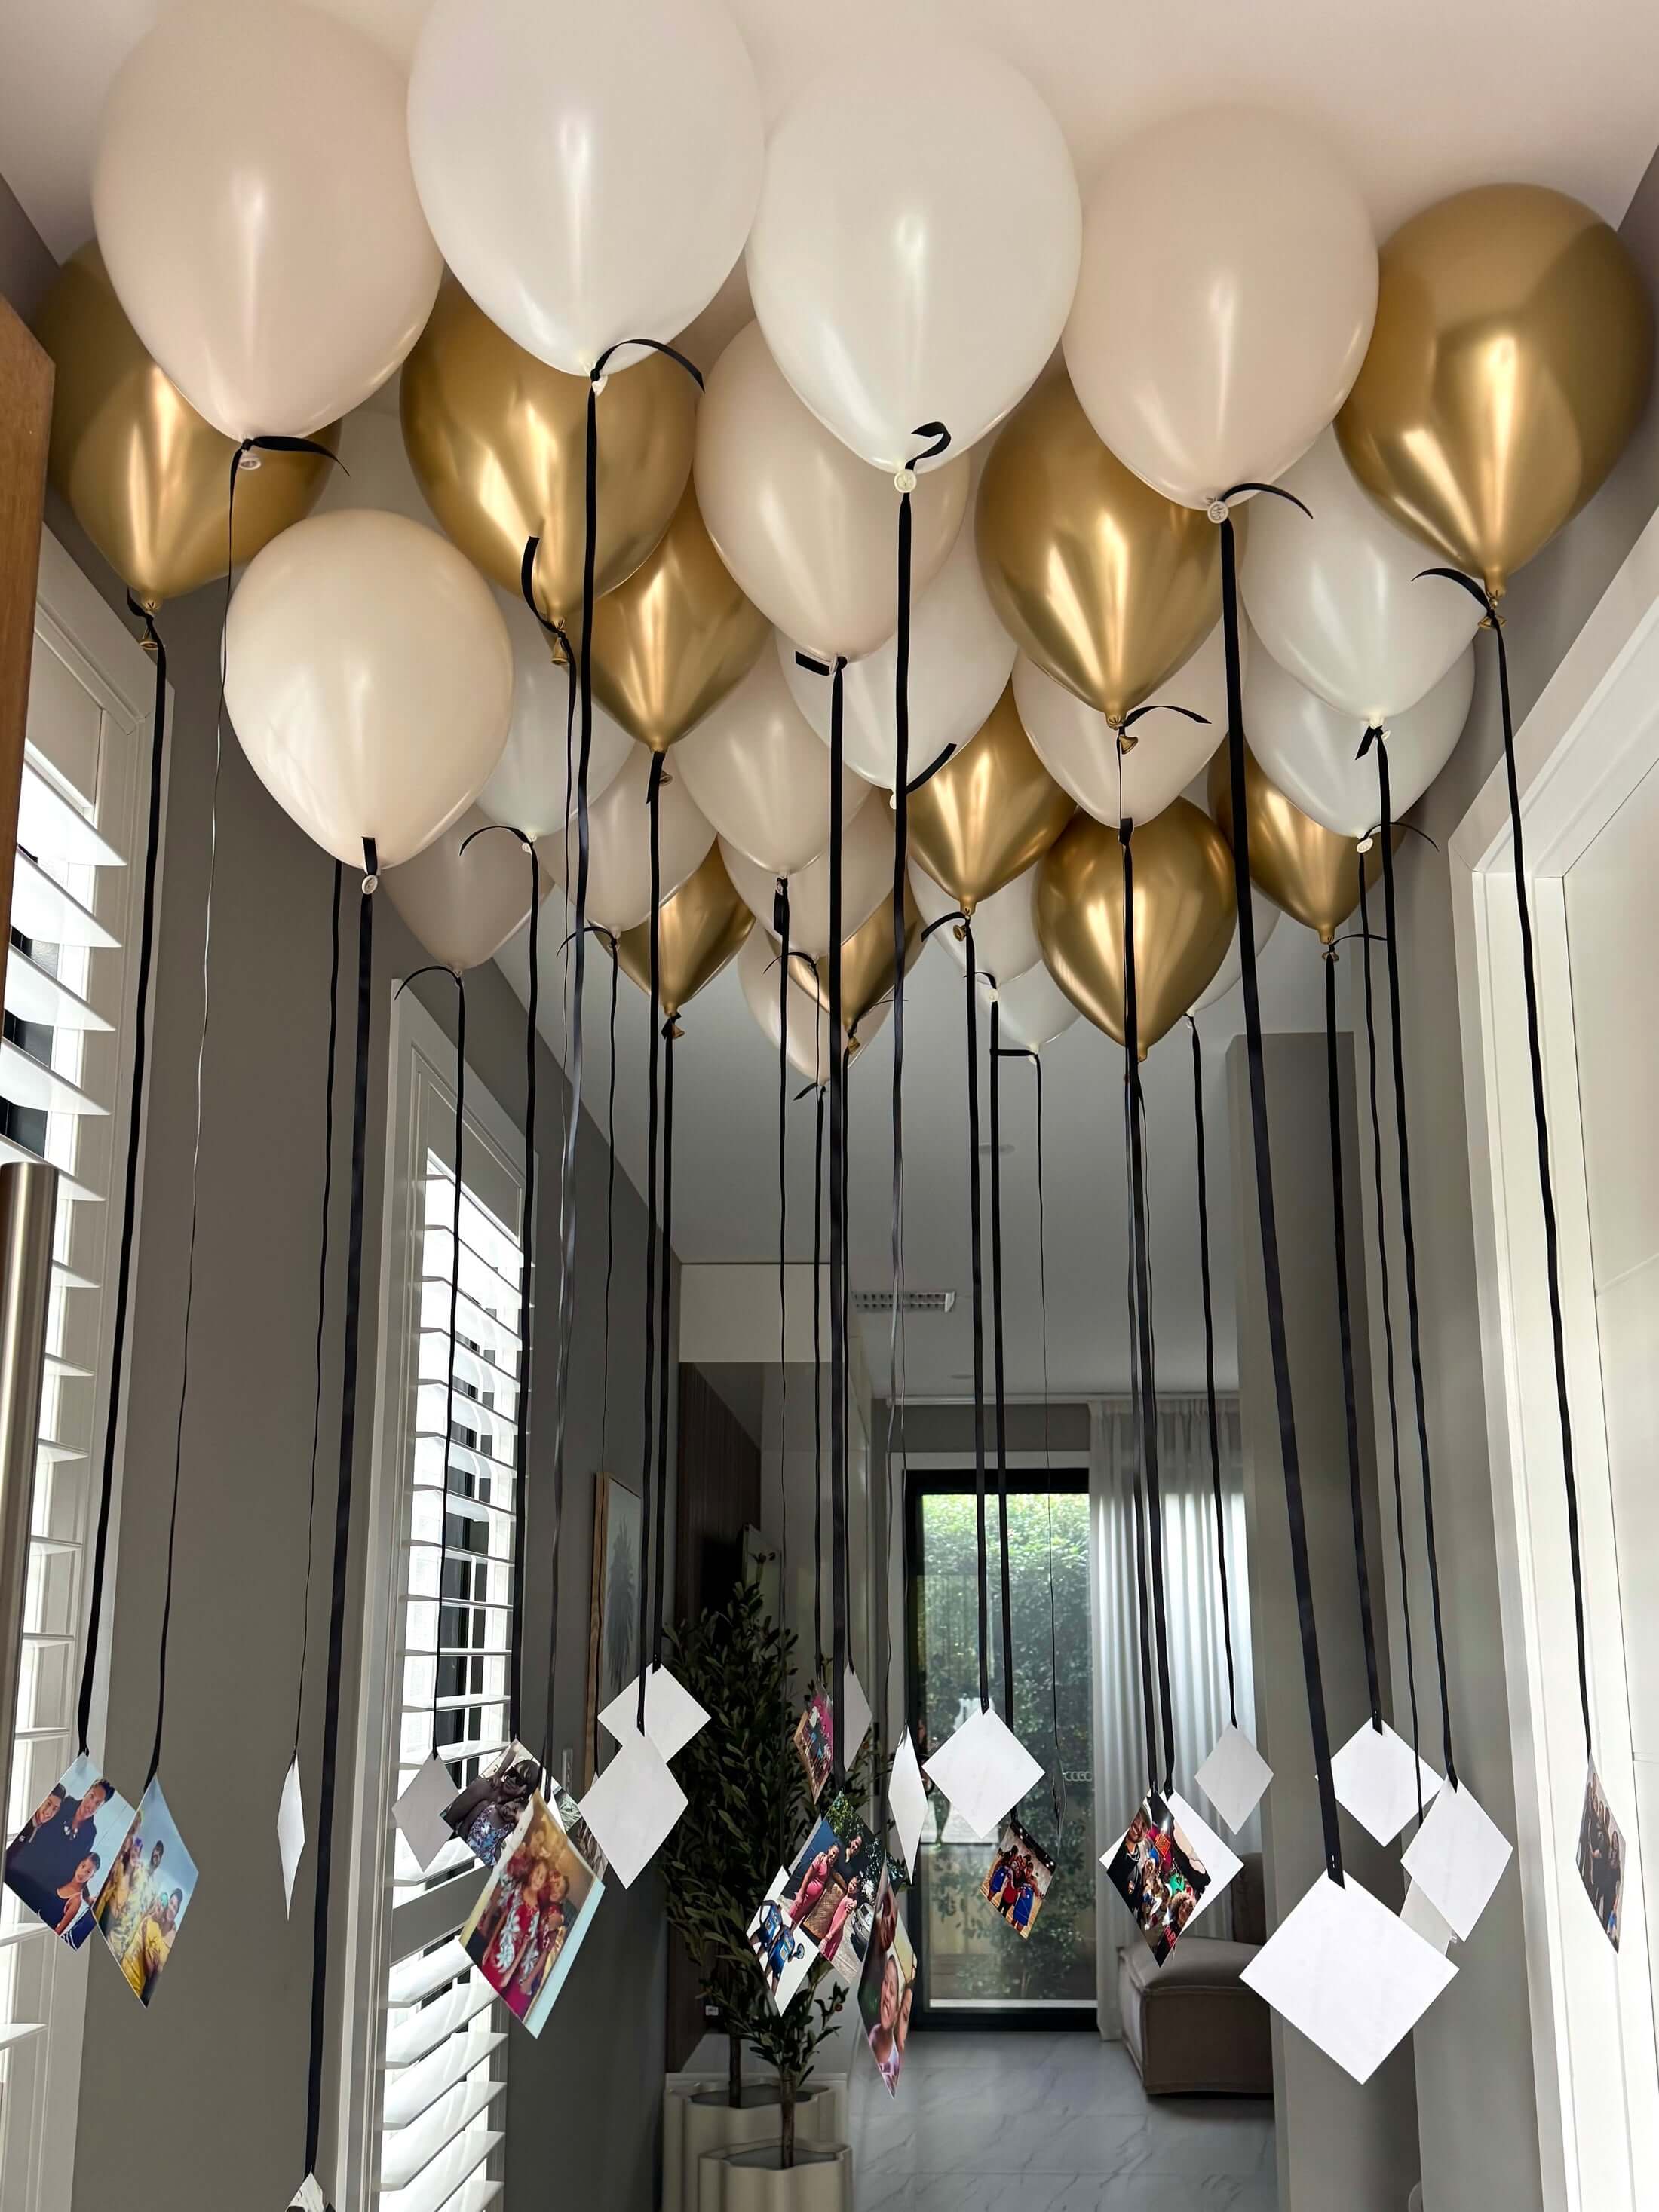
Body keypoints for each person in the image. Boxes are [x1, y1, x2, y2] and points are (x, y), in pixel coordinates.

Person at [5, 1775, 112, 1926]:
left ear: (101, 1807)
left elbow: (81, 1865)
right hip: (26, 1868)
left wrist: (86, 1897)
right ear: (87, 1792)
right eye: (91, 1796)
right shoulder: (66, 1803)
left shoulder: (90, 1833)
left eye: (97, 1803)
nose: (90, 1805)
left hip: (48, 1889)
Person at [122, 1888, 182, 2002]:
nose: (171, 1908)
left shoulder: (169, 1936)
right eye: (171, 1903)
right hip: (126, 1968)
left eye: (175, 1907)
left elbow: (151, 1970)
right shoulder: (153, 1921)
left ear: (177, 1913)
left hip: (139, 1987)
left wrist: (145, 1939)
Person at [787, 1840, 840, 1931]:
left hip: (809, 1905)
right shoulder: (820, 1859)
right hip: (803, 1898)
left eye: (836, 1856)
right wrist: (800, 1895)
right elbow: (808, 1875)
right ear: (829, 1849)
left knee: (792, 1928)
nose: (834, 1856)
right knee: (788, 1921)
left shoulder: (829, 1868)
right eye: (833, 1852)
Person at [869, 1950, 902, 2085]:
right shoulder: (869, 2037)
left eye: (893, 1991)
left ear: (897, 2012)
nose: (887, 1994)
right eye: (885, 1982)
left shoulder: (896, 2064)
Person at [54, 1852, 100, 1937]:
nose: (83, 1873)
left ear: (92, 1876)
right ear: (79, 1864)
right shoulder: (63, 1876)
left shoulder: (76, 1900)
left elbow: (57, 1932)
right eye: (83, 1866)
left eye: (88, 1872)